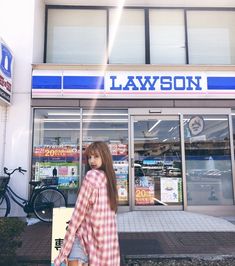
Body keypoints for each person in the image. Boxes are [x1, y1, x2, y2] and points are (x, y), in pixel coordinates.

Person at [54, 141, 120, 266]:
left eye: (96, 156)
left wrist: (64, 250)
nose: (92, 161)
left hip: (84, 237)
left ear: (104, 157)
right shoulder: (110, 179)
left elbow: (78, 214)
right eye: (89, 157)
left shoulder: (91, 176)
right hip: (106, 242)